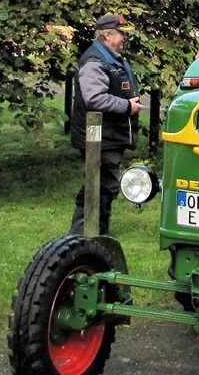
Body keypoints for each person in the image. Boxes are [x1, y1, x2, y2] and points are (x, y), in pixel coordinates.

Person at [69, 14, 144, 235]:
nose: (124, 38)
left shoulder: (110, 58)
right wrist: (127, 106)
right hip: (99, 137)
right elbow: (94, 98)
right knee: (99, 186)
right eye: (121, 34)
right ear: (108, 36)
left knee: (105, 186)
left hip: (108, 136)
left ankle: (97, 233)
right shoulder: (95, 62)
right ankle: (82, 235)